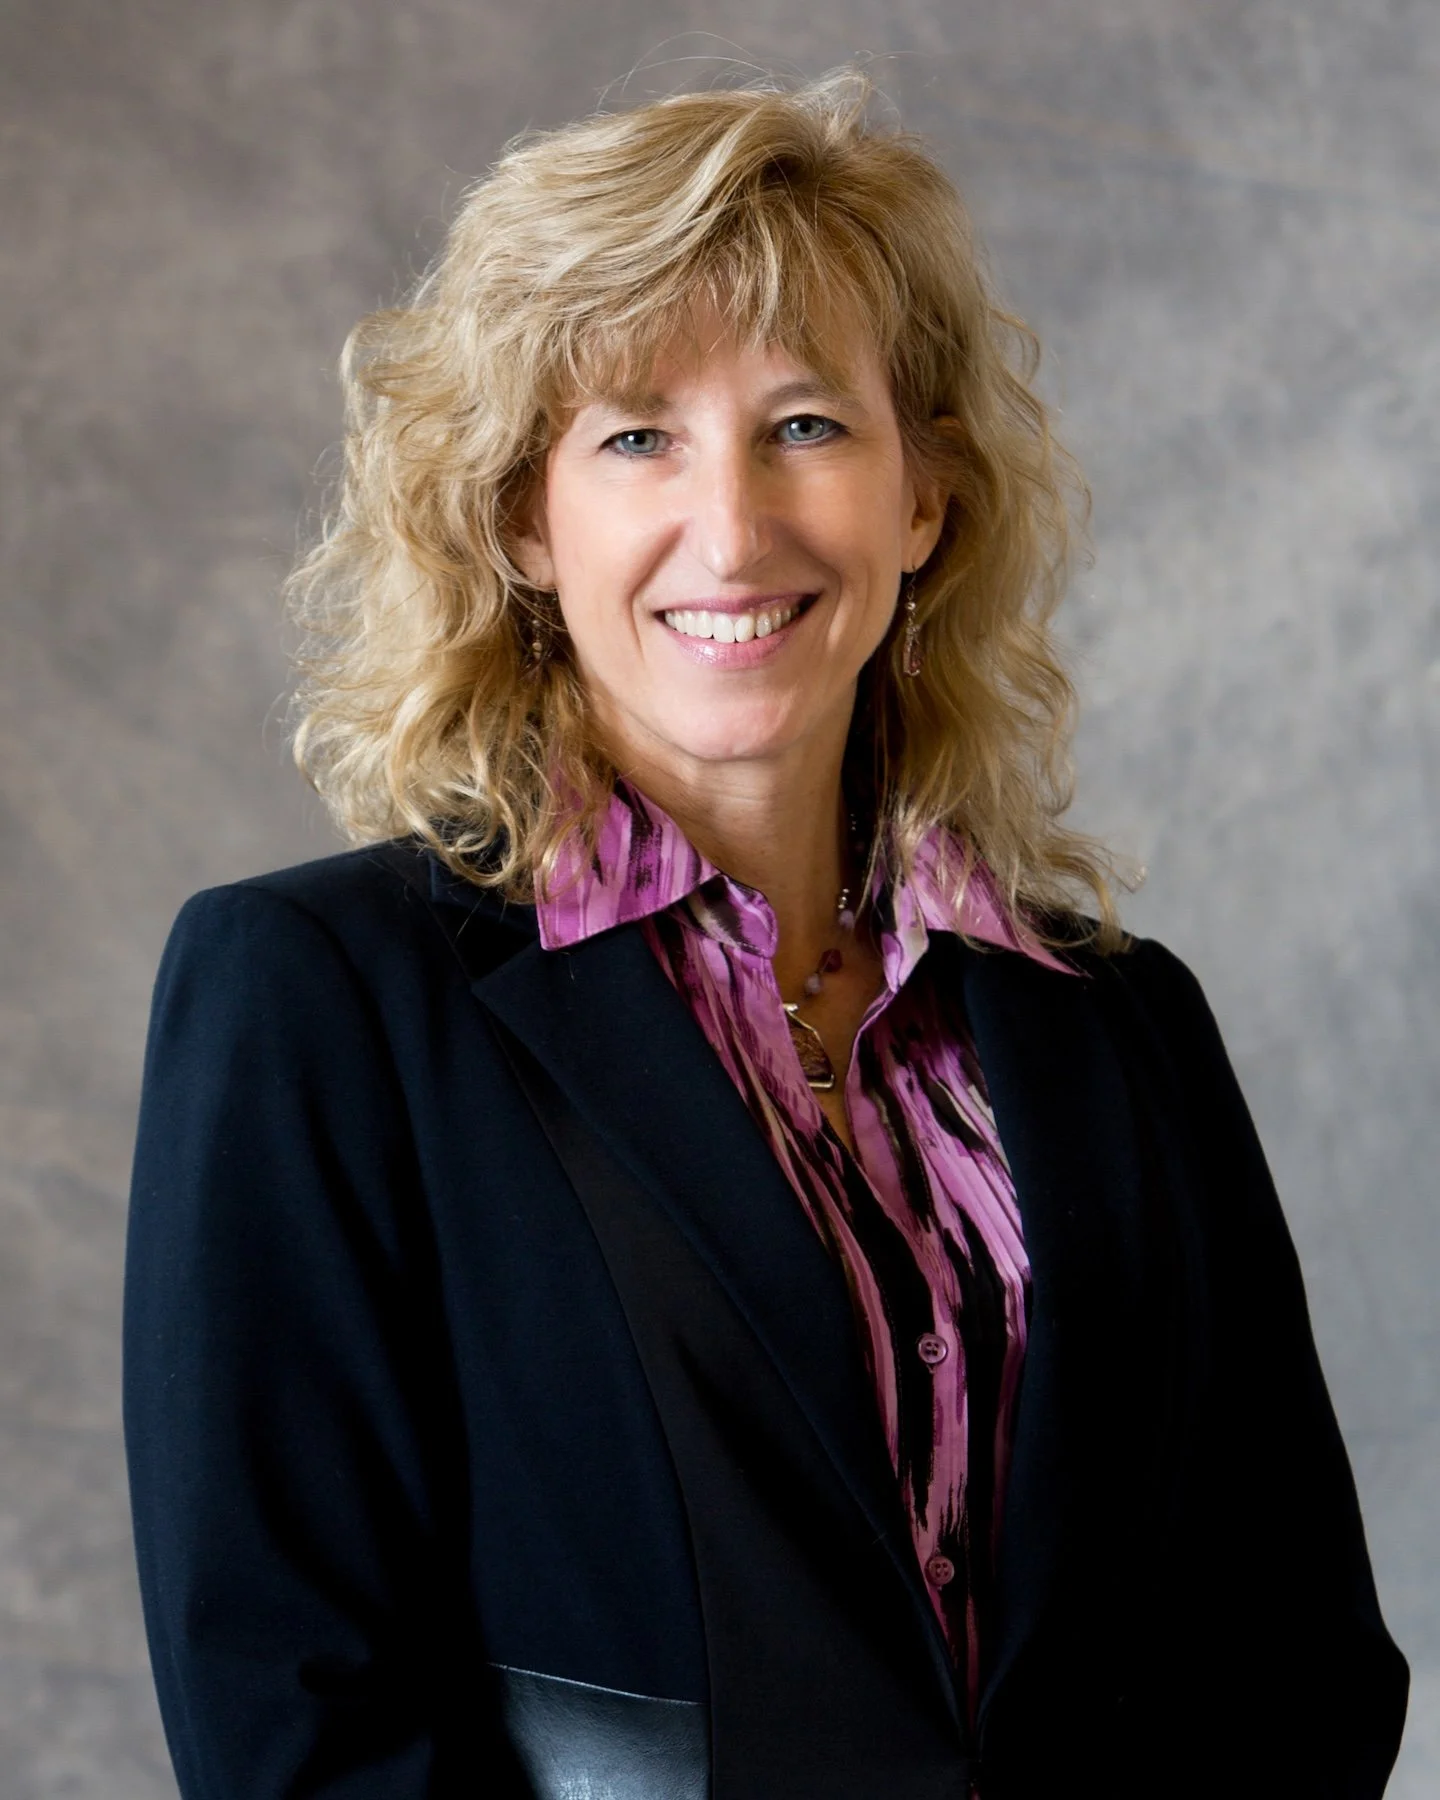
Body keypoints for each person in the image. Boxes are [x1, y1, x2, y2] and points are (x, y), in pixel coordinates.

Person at [123, 68, 1409, 1800]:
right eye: (636, 436)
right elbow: (295, 1714)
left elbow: (1295, 1660)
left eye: (806, 426)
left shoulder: (1122, 1025)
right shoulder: (319, 1005)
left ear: (923, 501)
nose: (731, 528)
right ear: (524, 521)